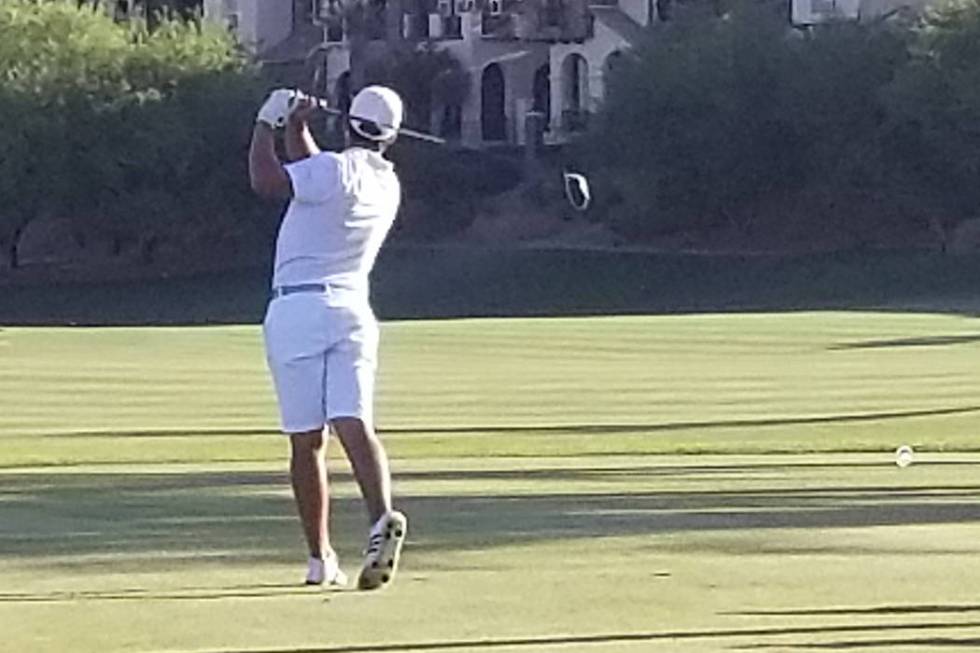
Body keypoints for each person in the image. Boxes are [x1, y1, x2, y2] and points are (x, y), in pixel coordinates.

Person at [248, 86, 407, 591]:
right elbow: (317, 178)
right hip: (353, 310)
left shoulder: (333, 170)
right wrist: (298, 129)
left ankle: (320, 560)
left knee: (307, 441)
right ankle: (381, 516)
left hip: (297, 308)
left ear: (350, 124)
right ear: (390, 136)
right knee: (354, 421)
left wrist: (266, 122)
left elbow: (265, 181)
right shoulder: (385, 184)